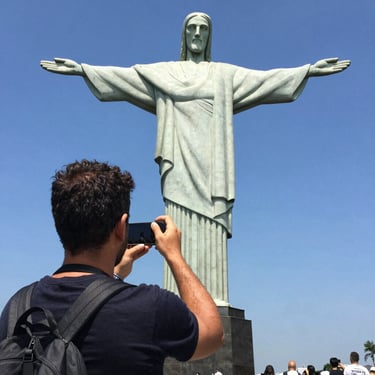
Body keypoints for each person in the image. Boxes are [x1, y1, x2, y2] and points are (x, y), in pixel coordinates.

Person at [40, 12, 351, 305]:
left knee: (212, 224)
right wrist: (83, 69)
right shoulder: (166, 73)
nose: (198, 34)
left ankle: (214, 297)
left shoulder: (223, 75)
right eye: (192, 29)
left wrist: (307, 71)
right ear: (184, 36)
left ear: (210, 36)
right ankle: (177, 295)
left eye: (204, 29)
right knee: (178, 219)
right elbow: (126, 79)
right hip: (178, 159)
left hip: (213, 164)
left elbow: (266, 80)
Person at [0, 160, 224, 374]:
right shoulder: (150, 306)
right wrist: (175, 256)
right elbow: (212, 334)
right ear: (121, 227)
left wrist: (113, 276)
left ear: (60, 223)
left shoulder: (18, 307)